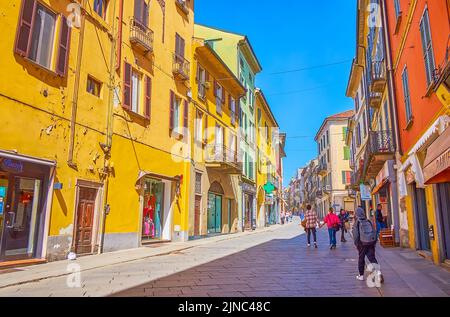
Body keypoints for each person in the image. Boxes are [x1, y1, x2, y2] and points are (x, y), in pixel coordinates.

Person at [352, 207, 384, 283]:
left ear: (357, 214)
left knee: (361, 259)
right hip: (370, 242)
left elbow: (356, 235)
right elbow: (374, 231)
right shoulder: (368, 221)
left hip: (362, 243)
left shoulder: (357, 222)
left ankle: (361, 275)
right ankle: (378, 273)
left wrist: (357, 244)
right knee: (372, 258)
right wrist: (374, 242)